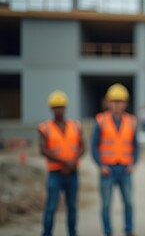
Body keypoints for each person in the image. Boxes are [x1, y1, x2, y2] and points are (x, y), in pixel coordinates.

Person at [91, 83, 139, 236]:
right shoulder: (101, 120)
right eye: (114, 101)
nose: (117, 105)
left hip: (125, 169)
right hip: (108, 170)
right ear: (108, 103)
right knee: (105, 205)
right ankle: (107, 231)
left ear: (125, 103)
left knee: (129, 203)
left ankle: (129, 230)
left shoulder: (131, 121)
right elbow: (94, 146)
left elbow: (136, 146)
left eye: (120, 101)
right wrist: (100, 165)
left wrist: (133, 163)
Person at [39, 90, 85, 236]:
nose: (59, 110)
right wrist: (65, 162)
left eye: (61, 106)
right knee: (51, 207)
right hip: (55, 174)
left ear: (65, 108)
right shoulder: (45, 127)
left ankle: (72, 233)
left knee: (72, 207)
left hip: (72, 173)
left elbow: (82, 146)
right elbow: (43, 150)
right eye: (56, 107)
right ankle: (47, 233)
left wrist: (74, 160)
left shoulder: (76, 126)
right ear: (51, 109)